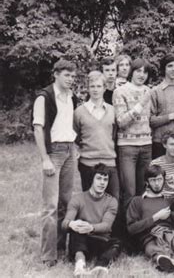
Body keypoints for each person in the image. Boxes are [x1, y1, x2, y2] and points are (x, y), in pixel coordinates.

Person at [32, 59, 79, 266]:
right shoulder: (44, 97)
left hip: (70, 150)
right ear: (56, 74)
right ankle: (48, 256)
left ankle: (61, 247)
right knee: (50, 206)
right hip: (54, 152)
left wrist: (76, 147)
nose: (71, 79)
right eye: (67, 75)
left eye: (73, 75)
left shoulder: (71, 97)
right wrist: (45, 159)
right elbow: (38, 129)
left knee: (65, 204)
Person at [62, 164, 120, 277]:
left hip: (100, 241)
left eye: (105, 179)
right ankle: (80, 266)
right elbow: (64, 223)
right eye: (98, 178)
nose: (102, 182)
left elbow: (107, 226)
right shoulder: (77, 199)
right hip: (82, 240)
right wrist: (72, 224)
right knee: (76, 231)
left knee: (117, 243)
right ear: (92, 180)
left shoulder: (112, 201)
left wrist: (91, 227)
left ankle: (101, 267)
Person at [113, 58, 153, 206]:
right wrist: (140, 104)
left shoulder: (149, 91)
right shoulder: (120, 92)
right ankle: (129, 227)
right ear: (131, 72)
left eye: (145, 72)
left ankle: (143, 226)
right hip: (127, 146)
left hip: (147, 145)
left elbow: (151, 118)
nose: (142, 75)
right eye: (138, 71)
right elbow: (121, 122)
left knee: (144, 190)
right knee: (129, 191)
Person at [74, 71, 119, 200]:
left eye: (99, 86)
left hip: (109, 161)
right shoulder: (79, 112)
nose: (95, 90)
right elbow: (76, 135)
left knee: (113, 200)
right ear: (88, 88)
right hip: (88, 163)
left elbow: (114, 133)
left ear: (104, 88)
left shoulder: (112, 110)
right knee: (90, 202)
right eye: (92, 86)